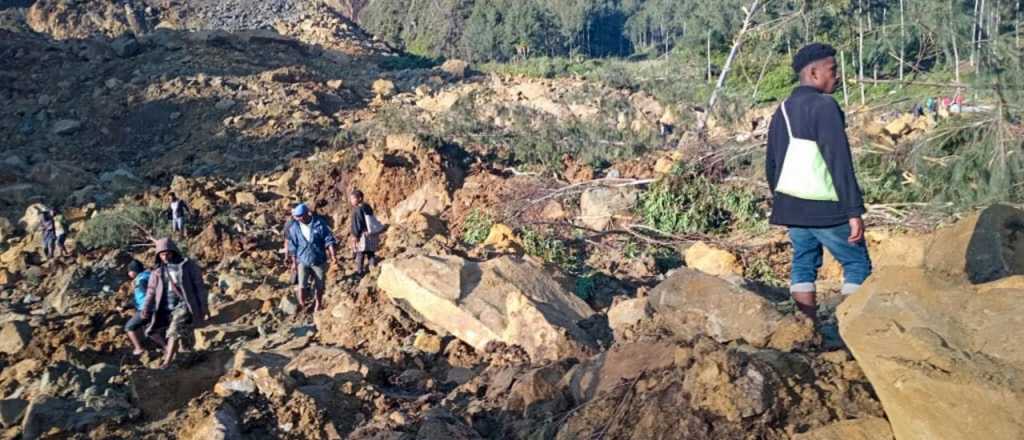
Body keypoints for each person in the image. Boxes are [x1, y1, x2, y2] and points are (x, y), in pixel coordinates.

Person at [765, 43, 872, 323]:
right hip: (827, 207)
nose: (837, 76)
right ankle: (849, 330)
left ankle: (806, 328)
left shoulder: (783, 110)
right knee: (856, 262)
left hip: (792, 205)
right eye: (832, 70)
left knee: (803, 264)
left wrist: (783, 201)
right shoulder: (825, 106)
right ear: (813, 73)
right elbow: (838, 161)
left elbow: (772, 164)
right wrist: (853, 211)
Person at [141, 238, 208, 368]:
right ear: (158, 255)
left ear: (173, 252)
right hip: (166, 307)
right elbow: (150, 291)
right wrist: (146, 308)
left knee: (174, 330)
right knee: (177, 334)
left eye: (167, 253)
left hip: (184, 304)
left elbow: (199, 286)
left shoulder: (187, 266)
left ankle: (167, 361)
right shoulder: (157, 272)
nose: (165, 256)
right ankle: (188, 356)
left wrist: (203, 307)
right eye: (162, 254)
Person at [285, 203, 337, 313]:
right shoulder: (294, 228)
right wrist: (294, 263)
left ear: (306, 214)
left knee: (320, 285)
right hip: (302, 260)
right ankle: (302, 304)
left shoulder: (319, 224)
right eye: (297, 216)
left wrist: (333, 256)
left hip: (319, 260)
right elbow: (292, 246)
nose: (299, 218)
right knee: (302, 285)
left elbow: (329, 240)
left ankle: (318, 304)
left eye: (300, 216)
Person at [125, 260, 162, 355]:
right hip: (155, 307)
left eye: (129, 271)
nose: (128, 273)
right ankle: (166, 348)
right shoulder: (148, 276)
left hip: (146, 309)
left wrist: (146, 308)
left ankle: (139, 348)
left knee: (129, 327)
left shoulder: (141, 280)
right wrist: (126, 306)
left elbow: (146, 295)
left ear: (133, 271)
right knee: (150, 331)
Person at [349, 190, 380, 276]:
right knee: (371, 252)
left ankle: (360, 272)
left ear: (359, 198)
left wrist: (355, 235)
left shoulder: (357, 209)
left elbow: (357, 223)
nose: (351, 200)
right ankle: (373, 269)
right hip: (371, 232)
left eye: (353, 198)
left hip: (362, 234)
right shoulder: (367, 206)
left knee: (360, 253)